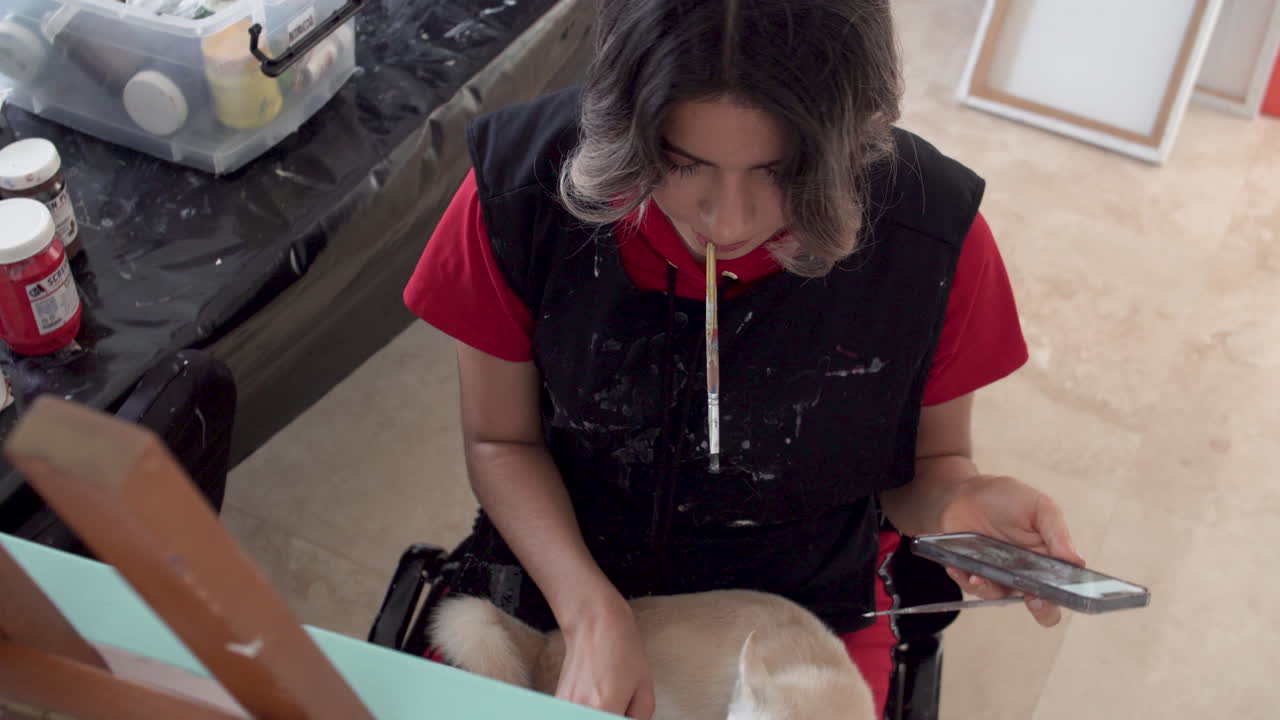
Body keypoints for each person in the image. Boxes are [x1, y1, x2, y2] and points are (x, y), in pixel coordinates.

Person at [404, 1, 1085, 717]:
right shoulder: (520, 194)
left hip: (799, 611)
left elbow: (927, 472)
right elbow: (500, 440)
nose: (724, 222)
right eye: (680, 160)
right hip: (557, 574)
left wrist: (958, 503)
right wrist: (592, 614)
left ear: (845, 141)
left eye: (781, 169)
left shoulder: (932, 238)